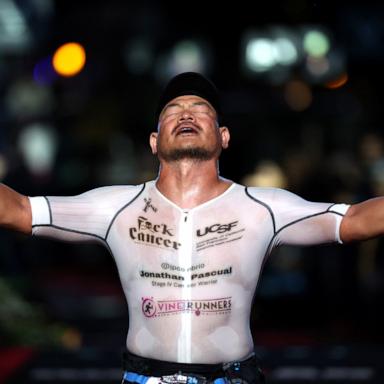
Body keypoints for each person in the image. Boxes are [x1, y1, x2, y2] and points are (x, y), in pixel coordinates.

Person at [1, 72, 383, 384]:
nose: (186, 113)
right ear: (154, 141)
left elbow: (353, 221)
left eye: (200, 108)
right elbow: (19, 210)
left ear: (224, 136)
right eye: (173, 110)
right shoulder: (116, 206)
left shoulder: (262, 207)